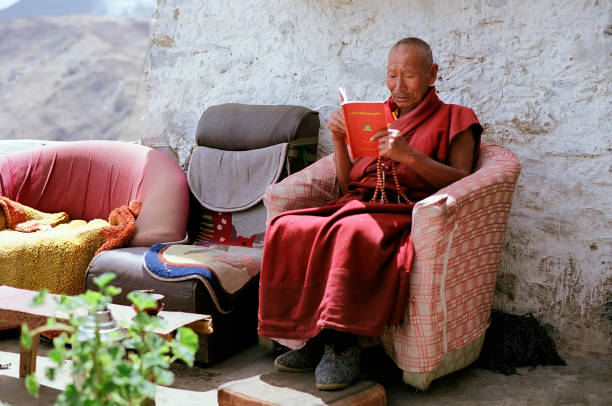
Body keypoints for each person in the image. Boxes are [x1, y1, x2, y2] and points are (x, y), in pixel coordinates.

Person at [258, 37, 483, 390]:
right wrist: (337, 139)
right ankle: (309, 334)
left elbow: (463, 181)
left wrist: (409, 157)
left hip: (407, 208)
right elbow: (349, 186)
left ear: (432, 73)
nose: (398, 85)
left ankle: (343, 344)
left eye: (408, 75)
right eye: (391, 75)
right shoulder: (375, 118)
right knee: (288, 226)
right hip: (358, 203)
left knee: (353, 233)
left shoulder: (456, 118)